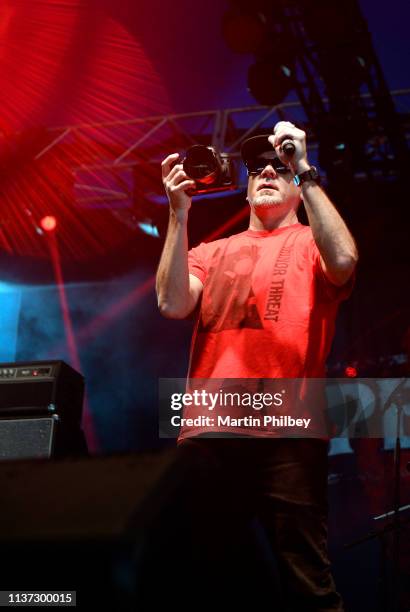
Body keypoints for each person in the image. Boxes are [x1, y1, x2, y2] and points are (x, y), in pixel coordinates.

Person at [156, 121, 358, 611]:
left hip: (287, 430)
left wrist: (304, 169)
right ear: (245, 187)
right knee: (204, 580)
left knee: (307, 582)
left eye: (277, 166)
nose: (266, 170)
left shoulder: (312, 241)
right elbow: (172, 302)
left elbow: (345, 260)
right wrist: (178, 215)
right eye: (256, 168)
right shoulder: (210, 250)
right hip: (210, 427)